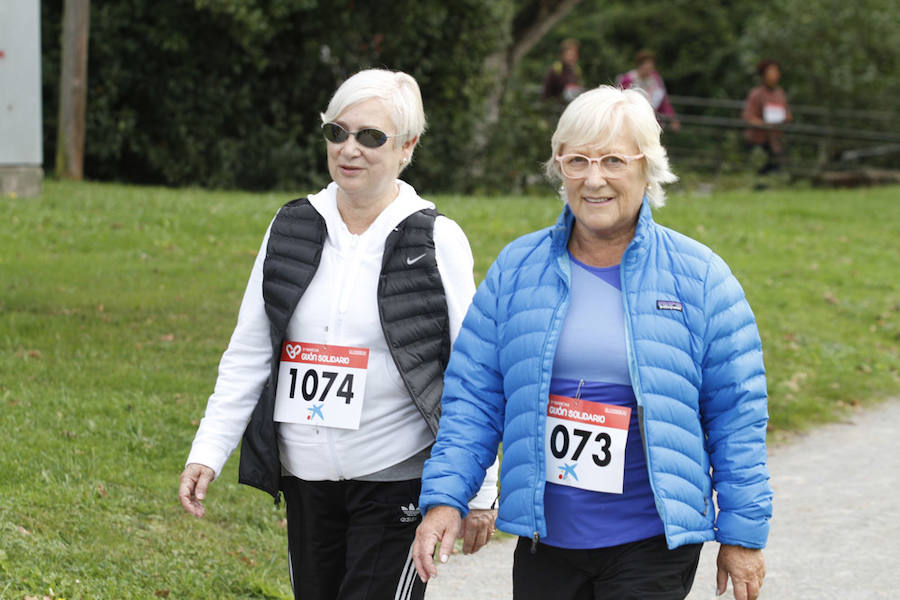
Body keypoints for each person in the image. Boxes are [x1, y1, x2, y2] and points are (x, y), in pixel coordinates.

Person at [412, 85, 772, 600]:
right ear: (559, 167)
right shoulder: (517, 268)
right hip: (546, 541)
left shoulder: (700, 277)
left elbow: (737, 415)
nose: (593, 178)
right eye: (577, 160)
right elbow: (473, 399)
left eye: (613, 161)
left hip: (651, 541)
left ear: (648, 167)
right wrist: (446, 497)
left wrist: (742, 534)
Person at [177, 68, 498, 600]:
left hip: (396, 474)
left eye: (370, 136)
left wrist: (482, 488)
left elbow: (473, 370)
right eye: (337, 132)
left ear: (407, 146)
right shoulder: (291, 226)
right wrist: (207, 451)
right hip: (306, 479)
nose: (349, 149)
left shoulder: (436, 238)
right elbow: (250, 351)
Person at [742, 59, 792, 174]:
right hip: (759, 142)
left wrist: (784, 118)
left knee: (776, 173)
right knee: (759, 173)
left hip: (775, 142)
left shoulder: (780, 93)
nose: (775, 75)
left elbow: (788, 115)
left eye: (776, 71)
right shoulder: (756, 94)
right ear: (763, 75)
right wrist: (765, 124)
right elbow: (748, 118)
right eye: (771, 72)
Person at [616, 49, 681, 132]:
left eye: (651, 65)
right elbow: (619, 100)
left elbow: (663, 101)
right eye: (647, 65)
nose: (650, 68)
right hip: (631, 121)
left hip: (651, 121)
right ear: (640, 65)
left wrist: (672, 118)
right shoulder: (628, 79)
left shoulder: (656, 80)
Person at [542, 38, 585, 104]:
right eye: (570, 55)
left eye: (574, 55)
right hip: (556, 105)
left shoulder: (576, 70)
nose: (572, 58)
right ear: (562, 55)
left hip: (571, 104)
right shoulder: (555, 69)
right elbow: (546, 93)